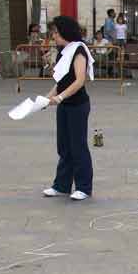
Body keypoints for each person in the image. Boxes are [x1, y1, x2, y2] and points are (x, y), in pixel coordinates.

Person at [42, 16, 95, 202]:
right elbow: (61, 82)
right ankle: (61, 186)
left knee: (78, 146)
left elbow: (79, 80)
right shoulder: (63, 51)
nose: (53, 36)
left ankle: (84, 187)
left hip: (78, 106)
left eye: (55, 32)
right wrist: (46, 99)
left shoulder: (79, 50)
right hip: (64, 106)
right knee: (64, 146)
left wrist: (60, 97)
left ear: (65, 31)